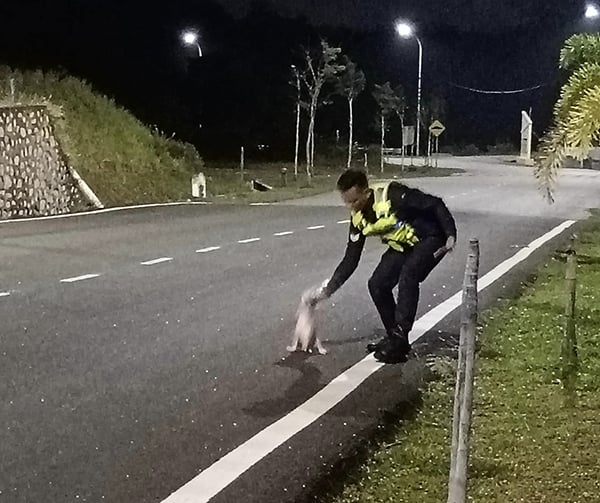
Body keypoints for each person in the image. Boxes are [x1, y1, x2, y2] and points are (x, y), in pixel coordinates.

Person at [303, 169, 457, 363]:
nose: (351, 207)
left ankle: (400, 340)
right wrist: (327, 291)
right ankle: (394, 336)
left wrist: (451, 234)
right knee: (377, 284)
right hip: (404, 245)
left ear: (366, 193)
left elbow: (435, 204)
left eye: (354, 201)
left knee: (409, 275)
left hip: (432, 238)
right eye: (346, 202)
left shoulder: (394, 195)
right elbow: (351, 259)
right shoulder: (357, 217)